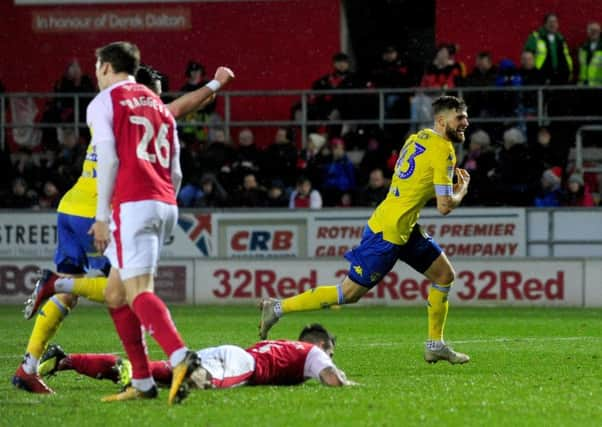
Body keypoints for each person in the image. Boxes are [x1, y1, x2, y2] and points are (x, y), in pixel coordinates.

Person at [12, 53, 234, 396]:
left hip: (71, 206)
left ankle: (28, 367)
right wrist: (215, 83)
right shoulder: (138, 113)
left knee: (92, 293)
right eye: (155, 94)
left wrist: (210, 89)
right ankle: (57, 286)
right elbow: (178, 110)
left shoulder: (107, 110)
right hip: (98, 215)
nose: (158, 101)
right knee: (124, 293)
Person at [259, 95, 472, 365]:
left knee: (444, 275)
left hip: (401, 224)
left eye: (465, 116)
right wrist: (461, 188)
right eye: (460, 117)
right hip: (388, 232)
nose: (466, 122)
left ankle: (435, 344)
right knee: (347, 294)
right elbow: (444, 206)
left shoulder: (418, 137)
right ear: (442, 121)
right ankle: (276, 308)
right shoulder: (444, 151)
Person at [38, 324, 354, 389]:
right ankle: (128, 371)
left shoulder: (289, 346)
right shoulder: (314, 353)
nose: (331, 358)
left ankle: (67, 360)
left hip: (230, 351)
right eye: (331, 351)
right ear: (322, 343)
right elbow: (334, 381)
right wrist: (352, 384)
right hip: (243, 365)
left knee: (163, 373)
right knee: (196, 381)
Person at [524, 13, 573, 85]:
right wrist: (532, 75)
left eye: (555, 22)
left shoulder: (560, 39)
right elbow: (527, 57)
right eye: (550, 22)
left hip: (560, 78)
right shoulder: (535, 37)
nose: (553, 24)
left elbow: (566, 57)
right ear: (545, 24)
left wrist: (569, 72)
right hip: (540, 77)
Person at [578, 22, 602, 86]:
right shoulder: (583, 48)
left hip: (599, 86)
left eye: (596, 30)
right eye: (591, 30)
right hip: (585, 86)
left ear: (600, 31)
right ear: (588, 32)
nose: (594, 32)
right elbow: (581, 69)